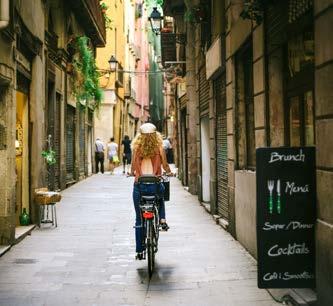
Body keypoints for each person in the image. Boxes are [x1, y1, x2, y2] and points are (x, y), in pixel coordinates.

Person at [130, 123, 172, 259]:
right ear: (155, 135)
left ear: (140, 136)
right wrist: (169, 172)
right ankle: (162, 219)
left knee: (139, 218)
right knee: (160, 197)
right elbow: (165, 165)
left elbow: (132, 168)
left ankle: (140, 251)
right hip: (154, 184)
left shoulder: (137, 148)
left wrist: (132, 173)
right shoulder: (159, 148)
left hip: (140, 185)